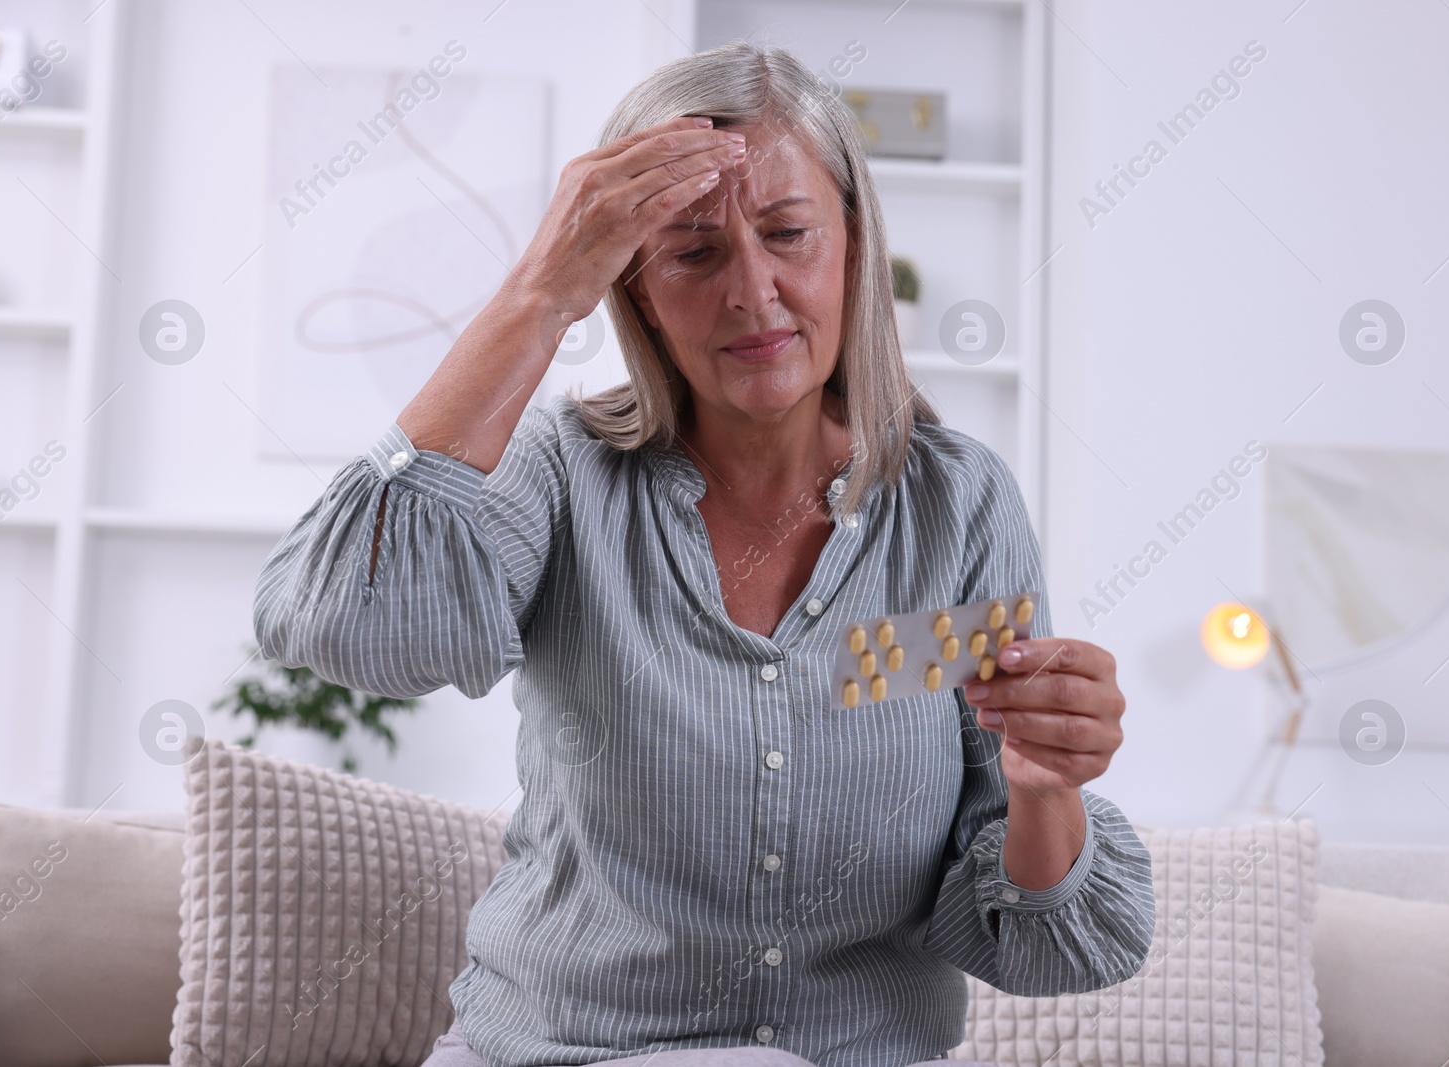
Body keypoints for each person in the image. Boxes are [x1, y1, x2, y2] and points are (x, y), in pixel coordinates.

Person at [255, 41, 1155, 1067]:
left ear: (851, 247)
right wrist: (540, 296)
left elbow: (1031, 936)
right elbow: (346, 626)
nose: (753, 290)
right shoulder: (561, 476)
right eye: (691, 253)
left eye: (787, 234)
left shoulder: (956, 505)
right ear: (632, 288)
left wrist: (1044, 789)